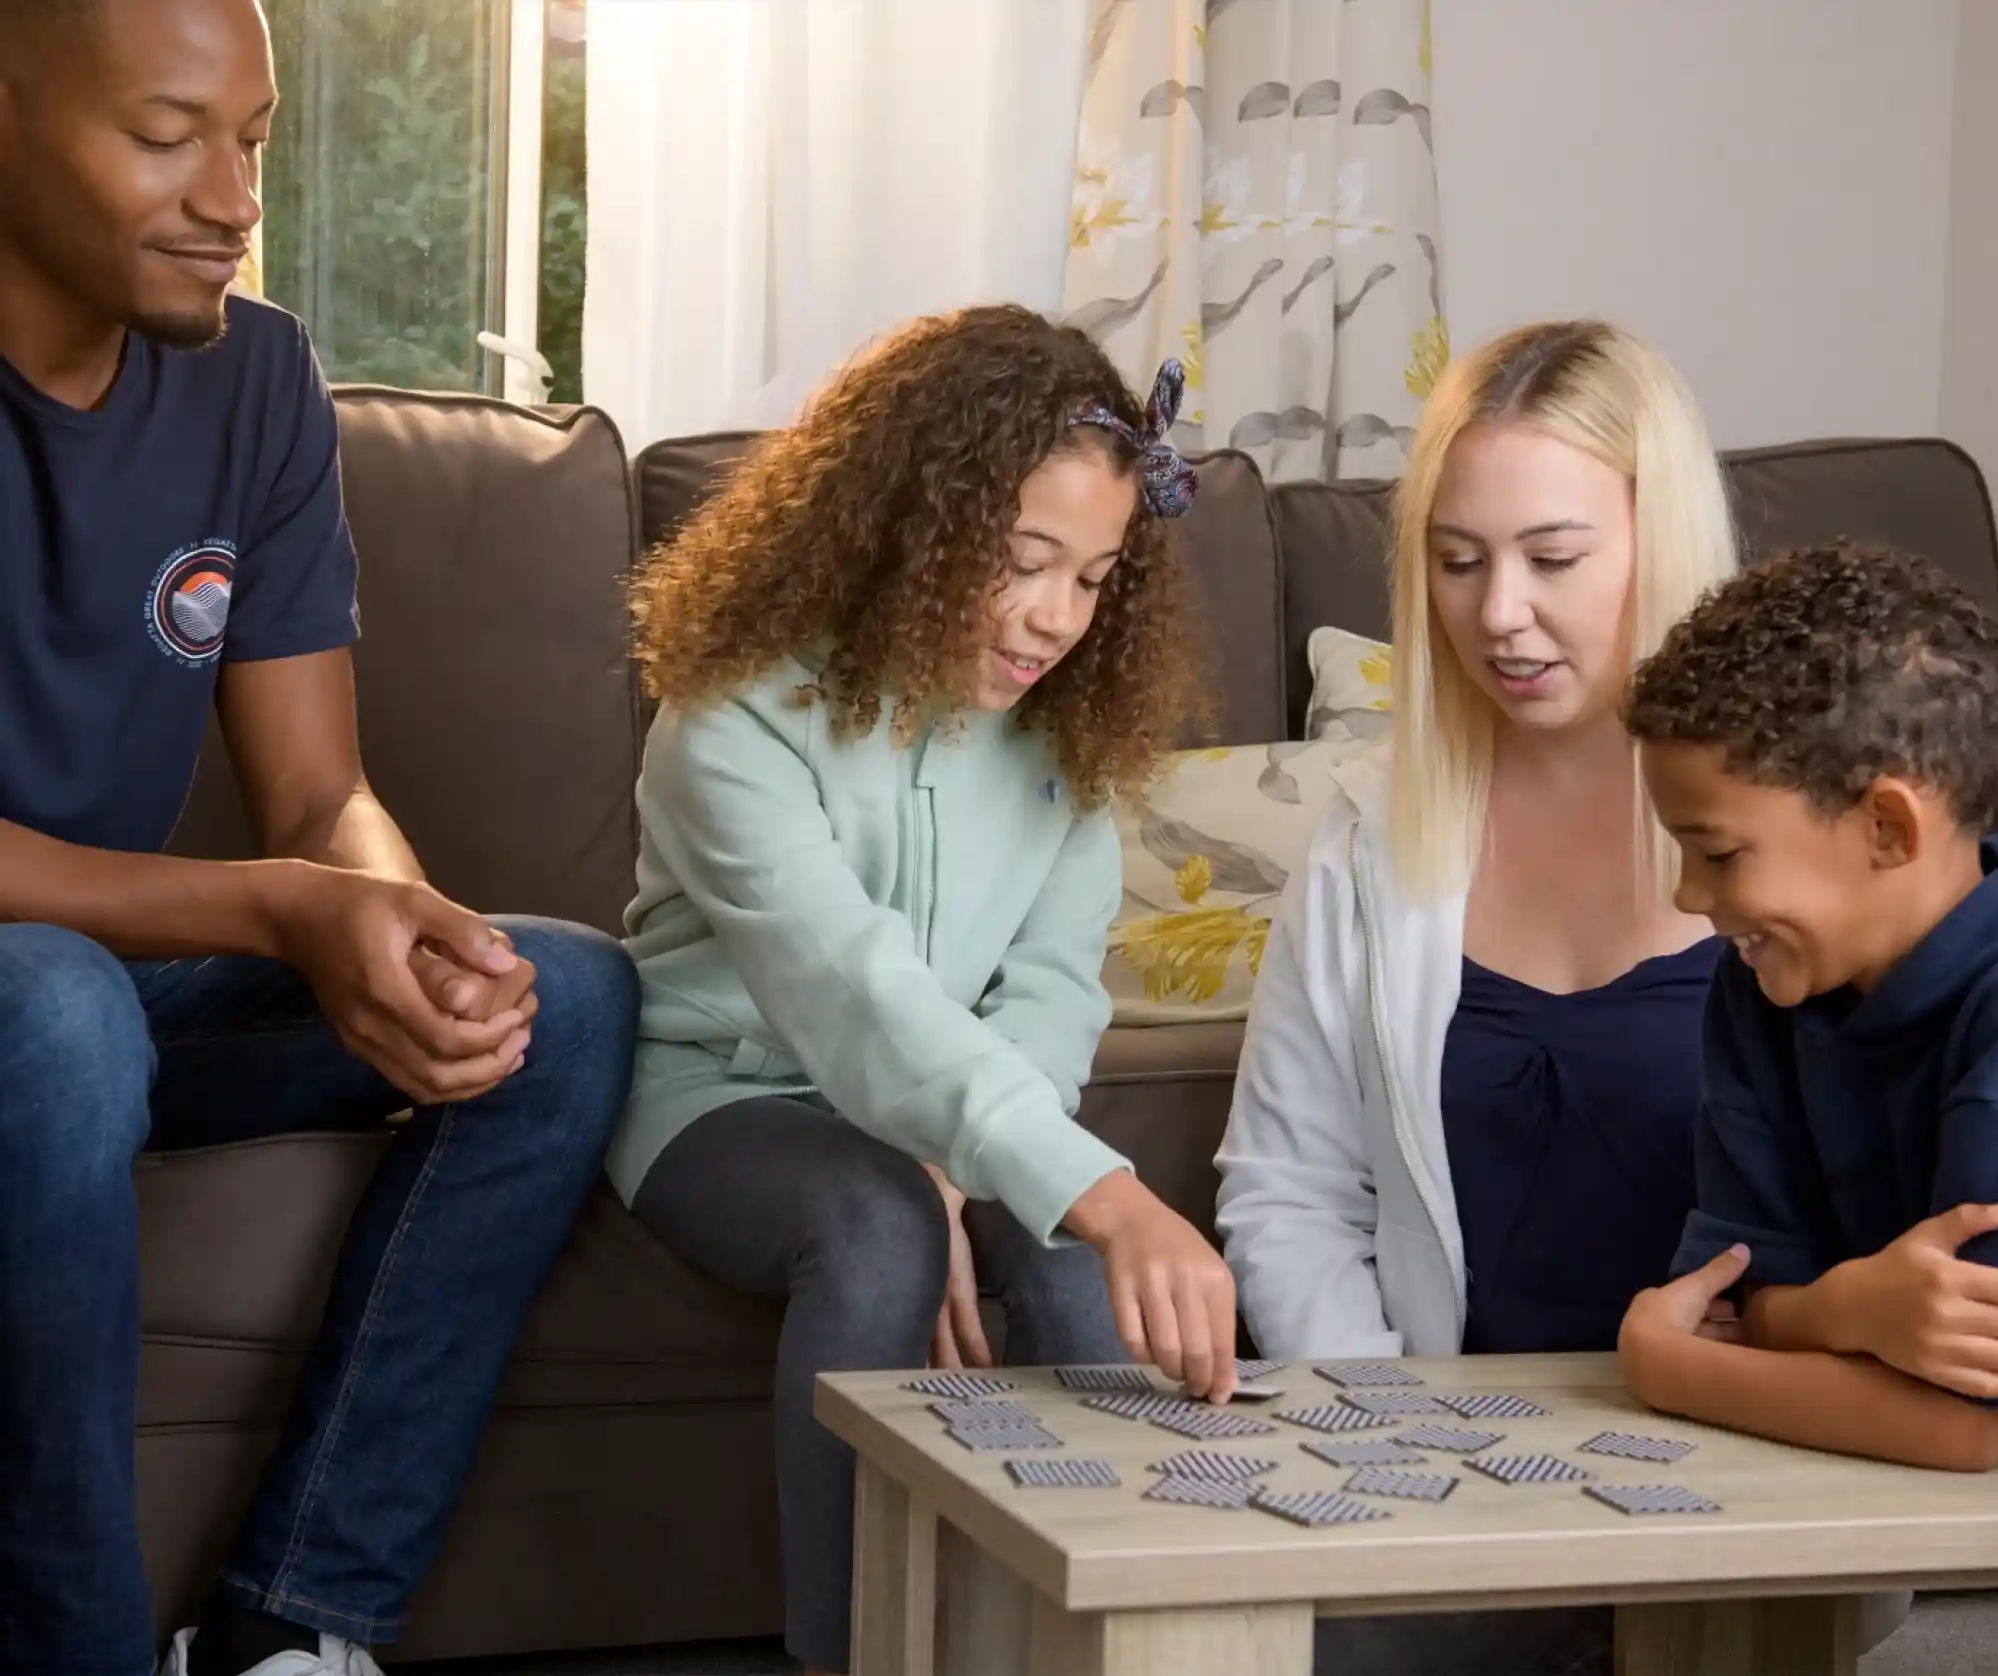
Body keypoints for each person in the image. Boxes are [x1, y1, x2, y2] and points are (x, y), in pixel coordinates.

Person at [0, 3, 640, 1674]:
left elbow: (313, 795)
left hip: (128, 990)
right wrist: (294, 909)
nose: (229, 194)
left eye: (255, 139)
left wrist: (406, 921)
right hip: (40, 1011)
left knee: (559, 1005)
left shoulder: (256, 376)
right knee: (51, 1015)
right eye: (163, 137)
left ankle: (295, 1629)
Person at [613, 306, 1239, 1676]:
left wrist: (982, 1165)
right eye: (1022, 563)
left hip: (935, 1103)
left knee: (1071, 1256)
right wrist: (1074, 1185)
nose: (1053, 620)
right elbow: (854, 997)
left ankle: (1131, 1640)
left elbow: (1055, 990)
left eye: (1093, 578)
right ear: (914, 523)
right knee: (883, 1216)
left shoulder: (1065, 737)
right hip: (724, 1096)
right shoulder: (731, 720)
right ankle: (852, 1657)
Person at [1213, 319, 1735, 1675]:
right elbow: (1288, 1190)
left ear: (1658, 544)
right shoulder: (1365, 834)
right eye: (1458, 561)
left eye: (1553, 559)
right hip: (1437, 1467)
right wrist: (1396, 1441)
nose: (1499, 611)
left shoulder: (1791, 821)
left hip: (1730, 1478)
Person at [1620, 541, 1998, 1470]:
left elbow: (1956, 1424)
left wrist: (1661, 1364)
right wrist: (1842, 1310)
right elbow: (1729, 1297)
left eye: (1718, 854)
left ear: (1886, 827)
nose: (1685, 897)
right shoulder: (1770, 980)